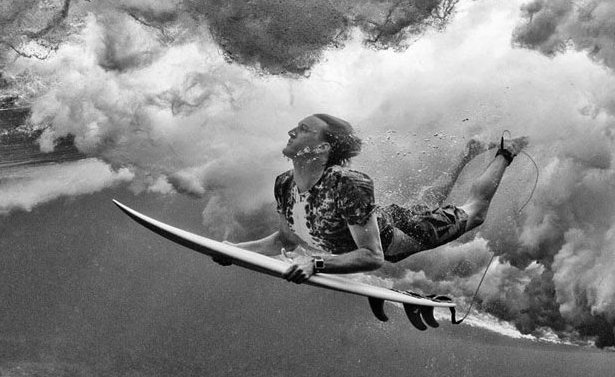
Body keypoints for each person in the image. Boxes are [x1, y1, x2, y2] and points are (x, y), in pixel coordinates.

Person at [216, 114, 527, 284]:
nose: (291, 132)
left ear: (323, 149)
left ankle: (506, 152)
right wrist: (234, 250)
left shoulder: (348, 184)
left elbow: (373, 256)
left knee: (475, 211)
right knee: (427, 201)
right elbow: (284, 240)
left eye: (303, 129)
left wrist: (316, 263)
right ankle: (467, 154)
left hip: (407, 234)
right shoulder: (284, 184)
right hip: (383, 219)